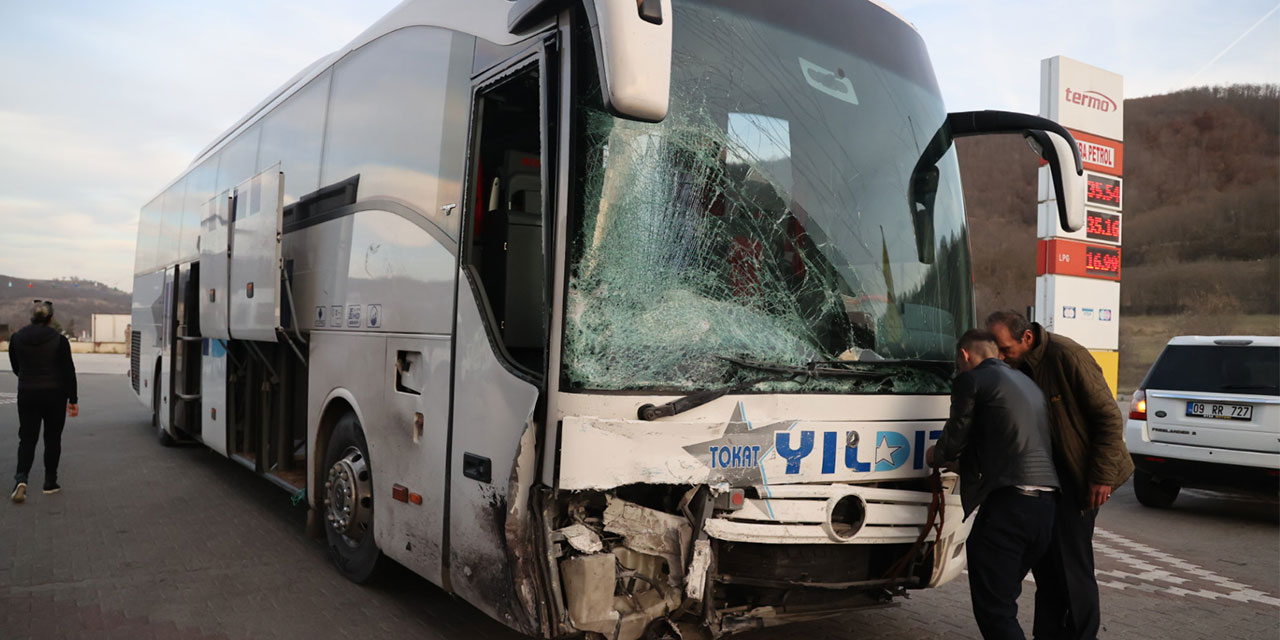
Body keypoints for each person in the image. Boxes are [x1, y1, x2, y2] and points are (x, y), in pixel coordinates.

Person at [985, 310, 1132, 640]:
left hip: (1078, 479)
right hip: (1041, 483)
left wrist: (1101, 476)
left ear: (1026, 338)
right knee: (1049, 572)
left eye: (1005, 348)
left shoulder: (1067, 356)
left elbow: (1108, 418)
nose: (1001, 356)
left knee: (1072, 572)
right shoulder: (1011, 367)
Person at [928, 329, 1060, 640]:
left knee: (995, 609)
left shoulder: (971, 380)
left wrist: (936, 455)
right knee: (1004, 597)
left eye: (959, 363)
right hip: (1046, 507)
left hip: (1009, 507)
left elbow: (954, 439)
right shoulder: (1027, 383)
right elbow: (1010, 439)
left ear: (964, 356)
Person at [8, 300, 79, 503]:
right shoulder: (59, 340)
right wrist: (73, 399)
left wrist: (28, 378)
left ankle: (21, 479)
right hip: (55, 394)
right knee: (52, 438)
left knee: (27, 438)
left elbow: (16, 367)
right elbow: (68, 372)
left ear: (32, 317)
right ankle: (50, 482)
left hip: (27, 393)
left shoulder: (16, 338)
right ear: (51, 318)